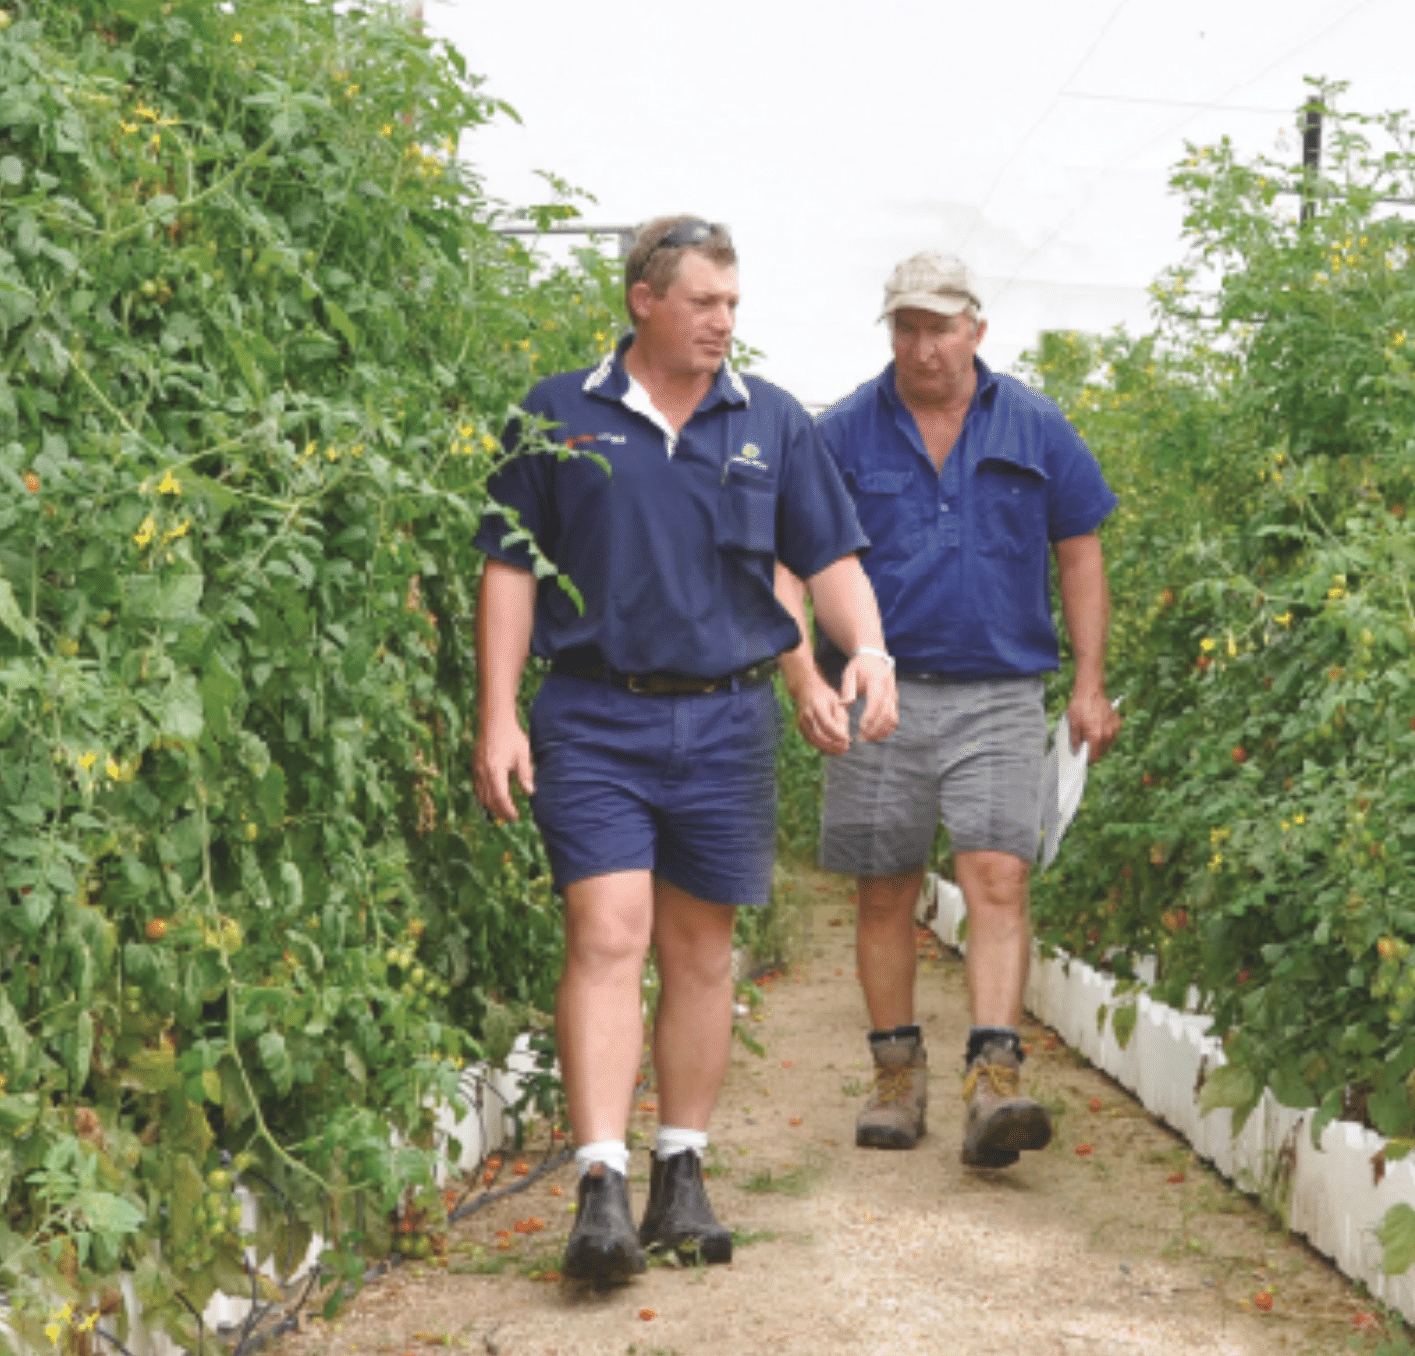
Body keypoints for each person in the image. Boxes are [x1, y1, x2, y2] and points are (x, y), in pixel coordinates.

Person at [470, 216, 898, 1283]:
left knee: (701, 950)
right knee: (606, 932)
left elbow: (828, 554)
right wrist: (497, 715)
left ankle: (681, 1171)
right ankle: (601, 1187)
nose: (721, 322)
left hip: (725, 720)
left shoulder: (772, 423)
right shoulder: (556, 412)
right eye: (703, 301)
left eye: (731, 305)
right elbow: (508, 570)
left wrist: (870, 647)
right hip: (592, 713)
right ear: (641, 300)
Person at [783, 251, 1121, 1168]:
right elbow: (798, 557)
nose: (922, 346)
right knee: (886, 884)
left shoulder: (1037, 426)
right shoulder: (846, 431)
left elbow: (1079, 551)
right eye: (906, 327)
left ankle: (994, 1080)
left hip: (1003, 693)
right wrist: (808, 676)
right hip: (878, 692)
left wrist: (1088, 684)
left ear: (976, 328)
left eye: (938, 327)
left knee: (998, 877)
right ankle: (898, 1076)